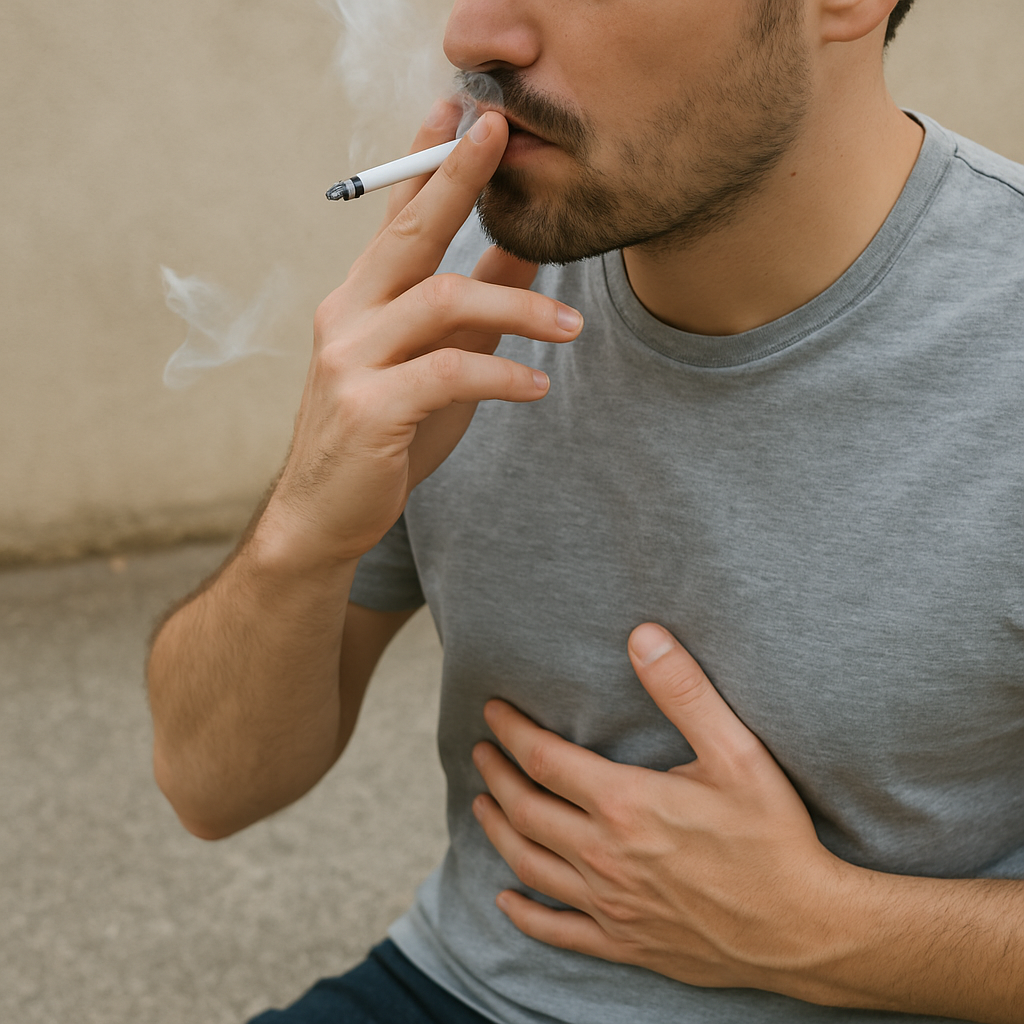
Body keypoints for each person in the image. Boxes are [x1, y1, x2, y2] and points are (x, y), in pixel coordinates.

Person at [146, 0, 1024, 1021]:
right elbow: (211, 786)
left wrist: (831, 928)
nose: (473, 36)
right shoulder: (474, 280)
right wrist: (309, 520)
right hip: (462, 985)